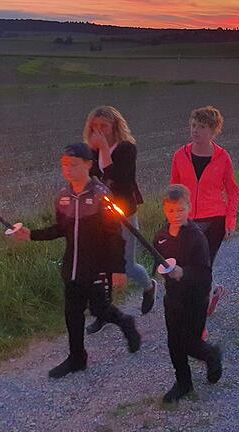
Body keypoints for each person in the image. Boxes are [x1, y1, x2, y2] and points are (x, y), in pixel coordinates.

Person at [10, 143, 141, 378]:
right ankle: (77, 358)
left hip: (97, 267)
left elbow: (114, 235)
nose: (68, 169)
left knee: (100, 309)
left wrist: (117, 269)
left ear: (88, 165)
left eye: (74, 164)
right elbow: (61, 228)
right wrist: (31, 234)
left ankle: (125, 323)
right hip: (72, 267)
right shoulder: (63, 197)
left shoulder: (102, 196)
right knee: (72, 313)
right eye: (64, 165)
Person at [83, 106, 158, 337]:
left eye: (103, 126)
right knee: (101, 268)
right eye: (94, 127)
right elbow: (91, 177)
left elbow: (116, 177)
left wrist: (104, 149)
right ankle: (104, 313)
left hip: (123, 214)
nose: (99, 131)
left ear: (115, 125)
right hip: (100, 217)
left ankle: (149, 286)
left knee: (126, 265)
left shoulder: (127, 148)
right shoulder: (91, 151)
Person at [154, 184, 223, 403]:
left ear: (189, 208)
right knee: (174, 342)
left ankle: (211, 354)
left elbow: (204, 275)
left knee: (191, 343)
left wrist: (184, 272)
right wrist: (160, 271)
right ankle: (183, 382)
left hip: (195, 298)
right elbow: (158, 259)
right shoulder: (161, 236)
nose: (176, 215)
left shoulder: (196, 237)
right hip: (173, 299)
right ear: (165, 209)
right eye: (171, 210)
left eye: (181, 210)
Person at [170, 106, 239, 313]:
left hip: (214, 221)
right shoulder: (180, 156)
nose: (195, 130)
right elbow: (174, 191)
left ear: (213, 130)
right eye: (193, 125)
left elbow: (233, 191)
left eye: (201, 127)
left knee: (203, 267)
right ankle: (213, 292)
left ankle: (199, 315)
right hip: (188, 221)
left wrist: (230, 222)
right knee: (188, 265)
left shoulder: (222, 157)